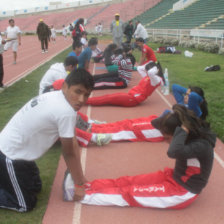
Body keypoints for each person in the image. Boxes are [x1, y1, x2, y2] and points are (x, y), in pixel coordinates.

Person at [63, 104, 216, 210]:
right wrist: (173, 118)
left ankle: (76, 195)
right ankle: (86, 186)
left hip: (181, 192)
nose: (165, 140)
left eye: (167, 137)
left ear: (179, 134)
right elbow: (157, 124)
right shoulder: (189, 137)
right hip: (173, 178)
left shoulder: (201, 146)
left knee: (129, 193)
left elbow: (173, 152)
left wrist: (181, 130)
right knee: (127, 181)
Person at [0, 68, 94, 212]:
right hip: (9, 155)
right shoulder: (66, 112)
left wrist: (80, 177)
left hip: (18, 152)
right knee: (25, 204)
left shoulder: (56, 96)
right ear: (64, 86)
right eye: (78, 92)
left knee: (36, 187)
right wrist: (79, 184)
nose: (81, 100)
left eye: (86, 95)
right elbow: (68, 153)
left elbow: (73, 141)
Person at [86, 61, 164, 107]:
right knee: (108, 97)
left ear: (155, 70)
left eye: (148, 70)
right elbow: (140, 68)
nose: (146, 71)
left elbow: (150, 72)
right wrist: (151, 63)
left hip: (132, 99)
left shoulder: (156, 80)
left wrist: (156, 68)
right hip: (130, 96)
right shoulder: (149, 76)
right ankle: (86, 100)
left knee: (107, 99)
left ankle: (85, 101)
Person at [75, 112, 163, 147]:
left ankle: (92, 132)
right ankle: (91, 126)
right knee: (125, 123)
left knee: (128, 129)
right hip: (161, 121)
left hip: (161, 129)